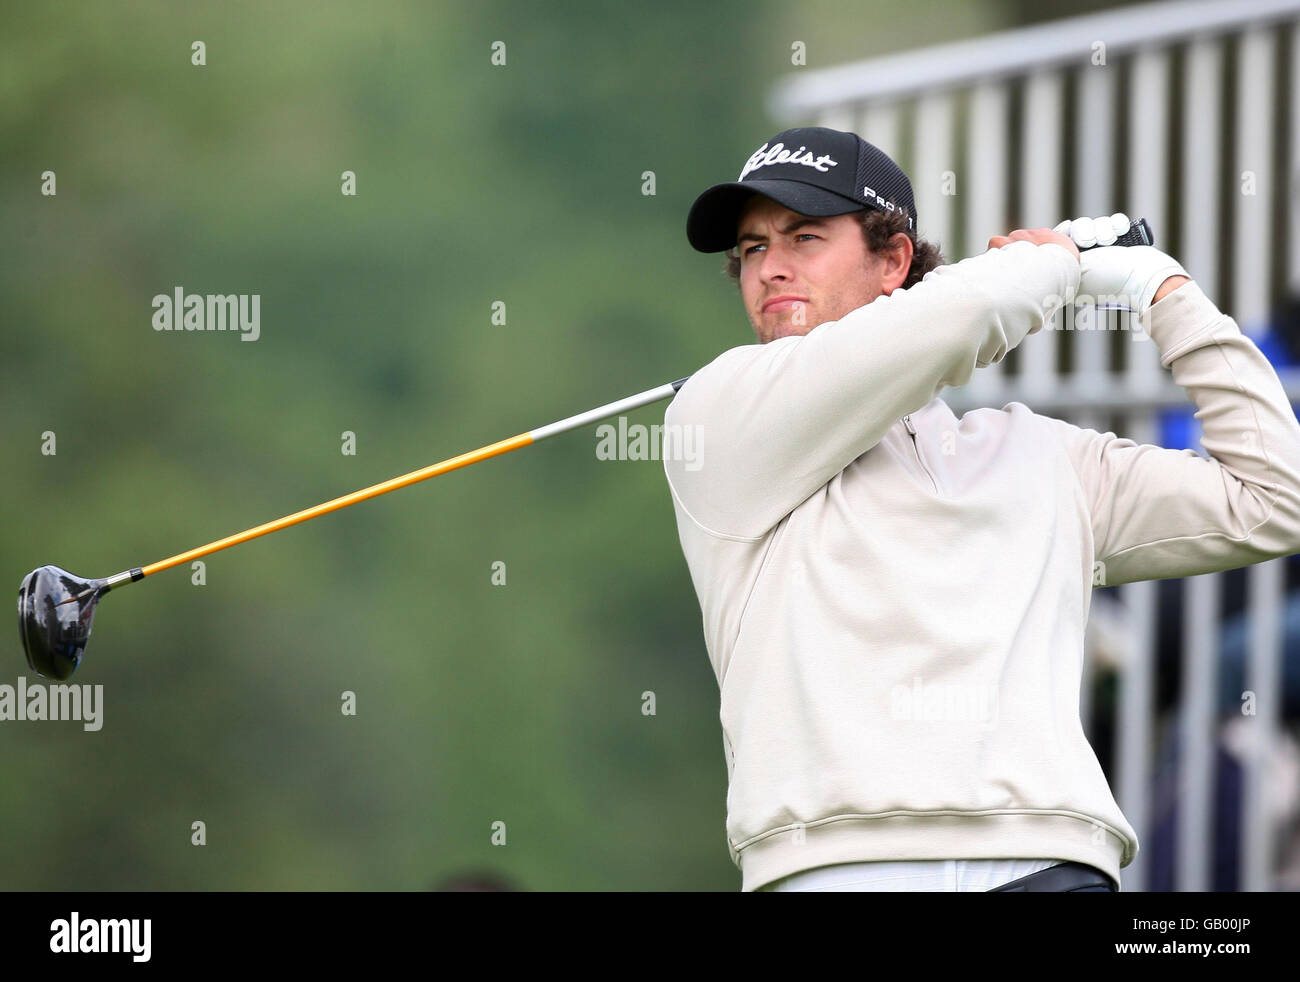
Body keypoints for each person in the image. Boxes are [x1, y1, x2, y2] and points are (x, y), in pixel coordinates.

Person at [662, 125, 1300, 892]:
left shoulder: (1042, 456)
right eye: (754, 248)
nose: (771, 268)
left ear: (893, 260)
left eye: (803, 235)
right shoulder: (716, 418)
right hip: (835, 872)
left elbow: (1274, 497)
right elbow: (958, 319)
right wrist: (1050, 265)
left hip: (1050, 866)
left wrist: (1163, 292)